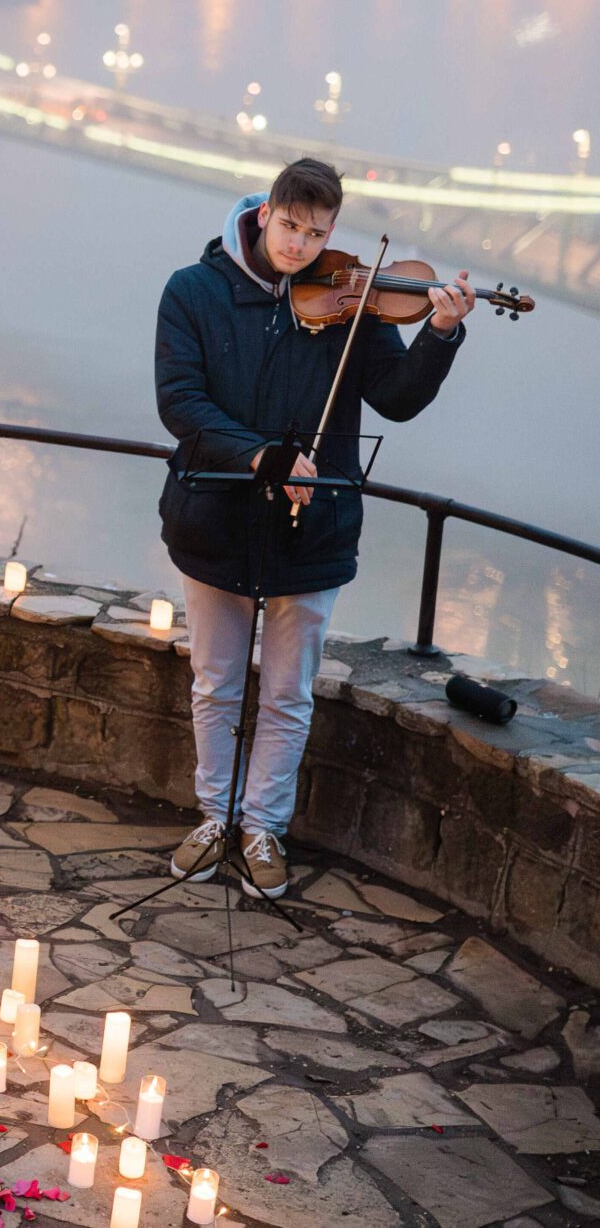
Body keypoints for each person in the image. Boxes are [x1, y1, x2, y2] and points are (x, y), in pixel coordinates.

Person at [156, 156, 472, 898]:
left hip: (313, 525)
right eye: (290, 226)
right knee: (215, 683)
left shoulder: (353, 299)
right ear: (264, 214)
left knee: (289, 691)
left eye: (316, 232)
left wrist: (442, 334)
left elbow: (395, 399)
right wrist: (262, 452)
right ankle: (215, 814)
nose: (300, 245)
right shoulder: (193, 291)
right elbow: (180, 401)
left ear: (333, 229)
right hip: (216, 513)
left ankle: (262, 824)